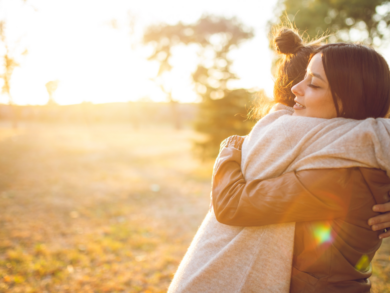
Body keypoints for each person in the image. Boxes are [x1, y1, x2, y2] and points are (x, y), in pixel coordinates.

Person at [168, 29, 390, 293]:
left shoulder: (343, 177)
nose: (296, 88)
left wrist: (230, 148)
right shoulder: (347, 154)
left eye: (314, 84)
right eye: (303, 78)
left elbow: (232, 205)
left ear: (352, 101)